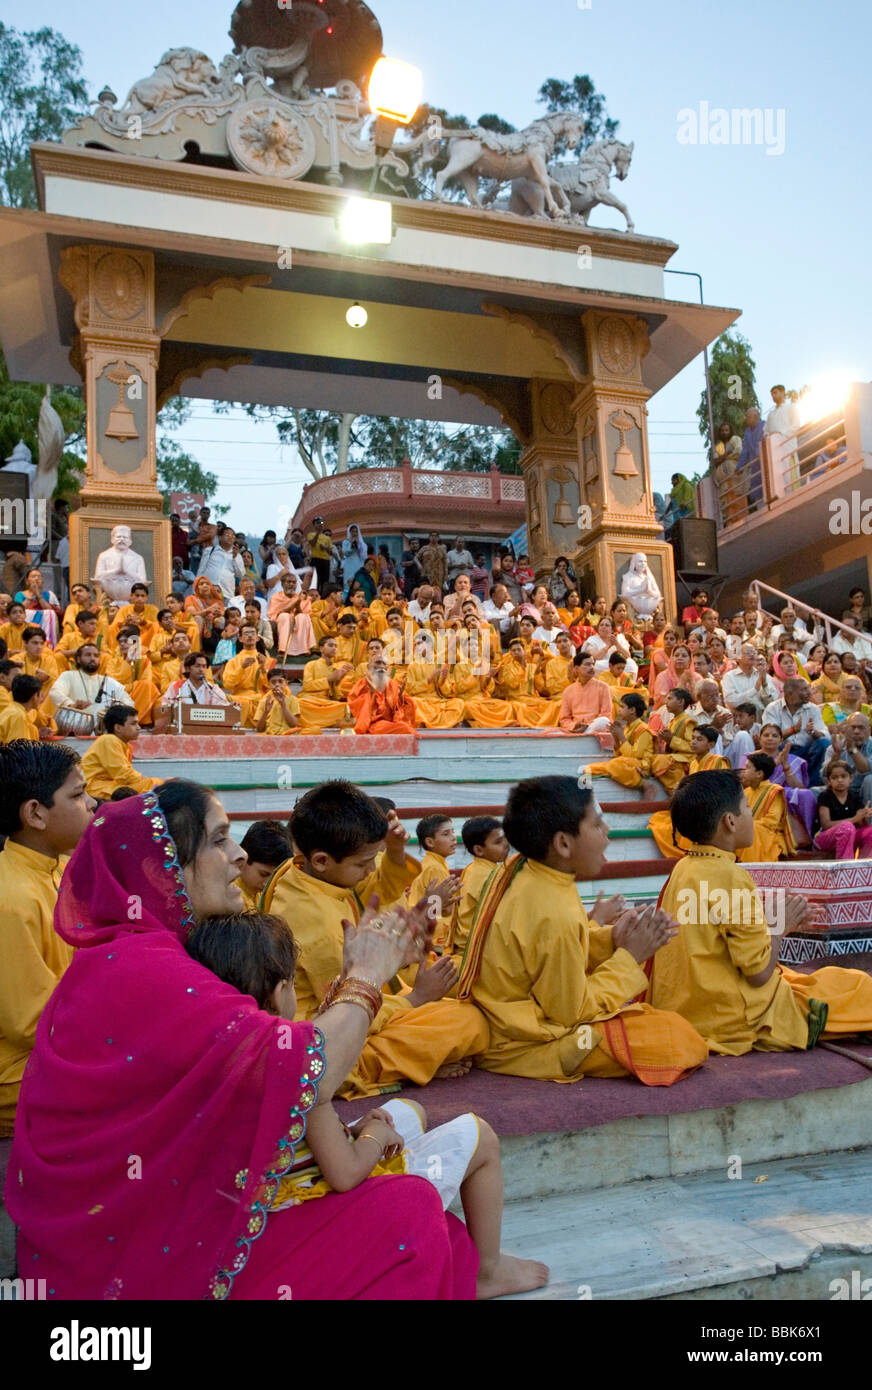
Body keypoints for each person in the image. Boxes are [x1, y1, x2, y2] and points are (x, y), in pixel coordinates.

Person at [7, 782, 483, 1300]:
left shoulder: (142, 950)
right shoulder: (145, 967)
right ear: (160, 869)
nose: (238, 856)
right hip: (140, 1255)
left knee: (428, 1212)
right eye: (218, 840)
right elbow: (306, 1070)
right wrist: (368, 973)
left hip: (147, 1219)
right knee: (409, 1207)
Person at [185, 910, 547, 1299]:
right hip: (312, 1200)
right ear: (279, 993)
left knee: (412, 1112)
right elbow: (343, 1172)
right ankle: (487, 1270)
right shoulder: (290, 1067)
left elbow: (302, 1131)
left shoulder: (211, 1053)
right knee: (478, 1134)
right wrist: (372, 1135)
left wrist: (352, 1129)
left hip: (280, 1181)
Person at [458, 776, 708, 1084]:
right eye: (597, 824)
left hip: (508, 1020)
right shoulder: (552, 908)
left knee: (659, 1022)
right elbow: (572, 1013)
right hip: (531, 1044)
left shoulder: (528, 870)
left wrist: (612, 939)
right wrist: (631, 957)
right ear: (563, 843)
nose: (607, 832)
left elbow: (544, 952)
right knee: (677, 1039)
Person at [262, 781, 490, 1095]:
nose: (372, 870)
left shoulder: (301, 870)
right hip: (320, 1044)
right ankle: (387, 1068)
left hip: (367, 997)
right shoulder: (319, 925)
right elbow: (344, 1016)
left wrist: (396, 855)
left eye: (376, 858)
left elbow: (371, 892)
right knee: (469, 1021)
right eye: (364, 863)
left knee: (459, 1008)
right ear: (321, 860)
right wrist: (415, 999)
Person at [649, 770, 872, 1053]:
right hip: (731, 1019)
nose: (751, 815)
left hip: (687, 1009)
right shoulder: (731, 877)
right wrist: (781, 927)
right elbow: (758, 974)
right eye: (746, 808)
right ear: (729, 822)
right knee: (858, 989)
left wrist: (766, 920)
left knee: (828, 980)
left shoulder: (684, 867)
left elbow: (716, 931)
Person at [0, 741, 95, 1135]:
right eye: (78, 794)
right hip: (20, 1071)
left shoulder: (57, 870)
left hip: (63, 1039)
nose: (92, 804)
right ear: (36, 814)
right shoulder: (12, 899)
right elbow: (28, 1023)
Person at [451, 818, 509, 964]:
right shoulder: (490, 875)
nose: (506, 845)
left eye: (505, 839)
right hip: (477, 952)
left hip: (465, 946)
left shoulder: (473, 869)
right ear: (478, 850)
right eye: (498, 842)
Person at [80, 704, 163, 800]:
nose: (138, 728)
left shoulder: (125, 745)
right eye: (133, 724)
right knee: (157, 785)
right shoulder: (109, 740)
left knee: (154, 784)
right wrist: (148, 781)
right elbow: (123, 775)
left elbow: (125, 776)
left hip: (109, 785)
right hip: (96, 788)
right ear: (118, 728)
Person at [762, 678, 831, 785]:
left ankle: (812, 787)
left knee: (823, 743)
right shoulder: (773, 708)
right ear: (790, 693)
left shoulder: (813, 709)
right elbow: (768, 736)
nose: (809, 692)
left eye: (808, 688)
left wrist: (813, 732)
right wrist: (792, 730)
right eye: (804, 689)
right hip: (782, 750)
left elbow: (825, 734)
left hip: (805, 750)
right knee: (770, 744)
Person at [49, 644, 129, 725]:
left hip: (102, 728)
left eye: (96, 655)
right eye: (88, 655)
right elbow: (55, 692)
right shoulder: (68, 675)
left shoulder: (108, 681)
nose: (92, 658)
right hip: (74, 727)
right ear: (78, 659)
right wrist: (71, 705)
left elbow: (127, 701)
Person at [737, 753, 795, 861]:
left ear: (759, 774)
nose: (743, 772)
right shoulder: (746, 792)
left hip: (768, 836)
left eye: (747, 768)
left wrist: (747, 825)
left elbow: (772, 822)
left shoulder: (774, 791)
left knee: (752, 828)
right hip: (749, 833)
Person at [348, 651, 416, 735]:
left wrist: (400, 698)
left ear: (387, 669)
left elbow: (401, 711)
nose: (381, 666)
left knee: (404, 726)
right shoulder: (361, 685)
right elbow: (356, 708)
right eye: (378, 662)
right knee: (404, 729)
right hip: (373, 725)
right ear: (369, 667)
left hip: (391, 723)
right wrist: (371, 695)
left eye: (384, 664)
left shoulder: (392, 685)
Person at [814, 760, 872, 859]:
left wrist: (864, 816)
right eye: (835, 778)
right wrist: (854, 819)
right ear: (829, 781)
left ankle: (865, 867)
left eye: (843, 776)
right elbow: (825, 824)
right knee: (847, 827)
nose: (840, 780)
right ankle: (844, 867)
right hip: (825, 838)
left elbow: (862, 825)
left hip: (850, 835)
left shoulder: (854, 796)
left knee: (870, 831)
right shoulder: (825, 796)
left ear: (851, 778)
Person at [221, 624, 273, 728]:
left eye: (253, 633)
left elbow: (270, 686)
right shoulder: (233, 661)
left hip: (260, 697)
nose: (250, 636)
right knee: (224, 698)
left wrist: (263, 667)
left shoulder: (266, 660)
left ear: (258, 638)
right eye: (246, 633)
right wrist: (241, 668)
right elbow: (227, 685)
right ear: (240, 639)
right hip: (240, 697)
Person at [236, 819, 294, 908]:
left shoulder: (257, 892)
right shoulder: (231, 898)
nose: (268, 884)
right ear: (243, 860)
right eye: (263, 874)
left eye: (275, 877)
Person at [160, 651, 233, 713]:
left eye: (204, 666)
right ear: (188, 668)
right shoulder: (176, 686)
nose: (201, 669)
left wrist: (231, 707)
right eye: (197, 666)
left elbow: (223, 708)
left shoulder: (213, 689)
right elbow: (165, 707)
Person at [14, 566, 61, 647]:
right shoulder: (20, 594)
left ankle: (48, 644)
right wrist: (32, 594)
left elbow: (52, 612)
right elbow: (18, 611)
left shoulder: (49, 594)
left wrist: (39, 595)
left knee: (49, 613)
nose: (36, 579)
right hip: (26, 622)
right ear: (27, 581)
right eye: (33, 576)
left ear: (42, 581)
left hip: (45, 624)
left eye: (39, 577)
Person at [254, 671, 301, 736]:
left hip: (287, 735)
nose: (277, 684)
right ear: (268, 684)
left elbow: (293, 724)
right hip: (270, 735)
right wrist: (266, 712)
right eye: (273, 682)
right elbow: (259, 729)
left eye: (280, 681)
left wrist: (283, 705)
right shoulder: (264, 701)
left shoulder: (293, 700)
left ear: (286, 683)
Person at [0, 674, 43, 743]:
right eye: (40, 694)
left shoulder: (12, 709)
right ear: (35, 696)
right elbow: (19, 749)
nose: (42, 699)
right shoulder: (18, 716)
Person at [737, 406, 764, 509]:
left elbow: (763, 440)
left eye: (748, 417)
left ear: (755, 416)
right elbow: (745, 452)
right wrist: (739, 467)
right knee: (758, 494)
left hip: (766, 463)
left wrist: (759, 451)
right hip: (755, 468)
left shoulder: (764, 425)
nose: (746, 419)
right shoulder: (747, 432)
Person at [306, 518, 334, 593]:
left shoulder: (327, 538)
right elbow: (312, 543)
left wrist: (325, 548)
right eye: (318, 523)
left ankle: (323, 597)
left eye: (321, 523)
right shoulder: (310, 534)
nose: (320, 524)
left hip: (325, 561)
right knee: (315, 580)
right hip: (315, 560)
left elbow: (331, 552)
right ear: (314, 525)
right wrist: (318, 533)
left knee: (325, 581)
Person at [341, 524, 368, 589]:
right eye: (353, 531)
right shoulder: (345, 542)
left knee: (358, 581)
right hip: (349, 565)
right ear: (349, 532)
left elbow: (364, 556)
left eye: (356, 531)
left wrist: (358, 545)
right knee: (348, 582)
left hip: (359, 564)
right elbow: (345, 553)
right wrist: (351, 544)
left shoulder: (362, 544)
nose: (354, 533)